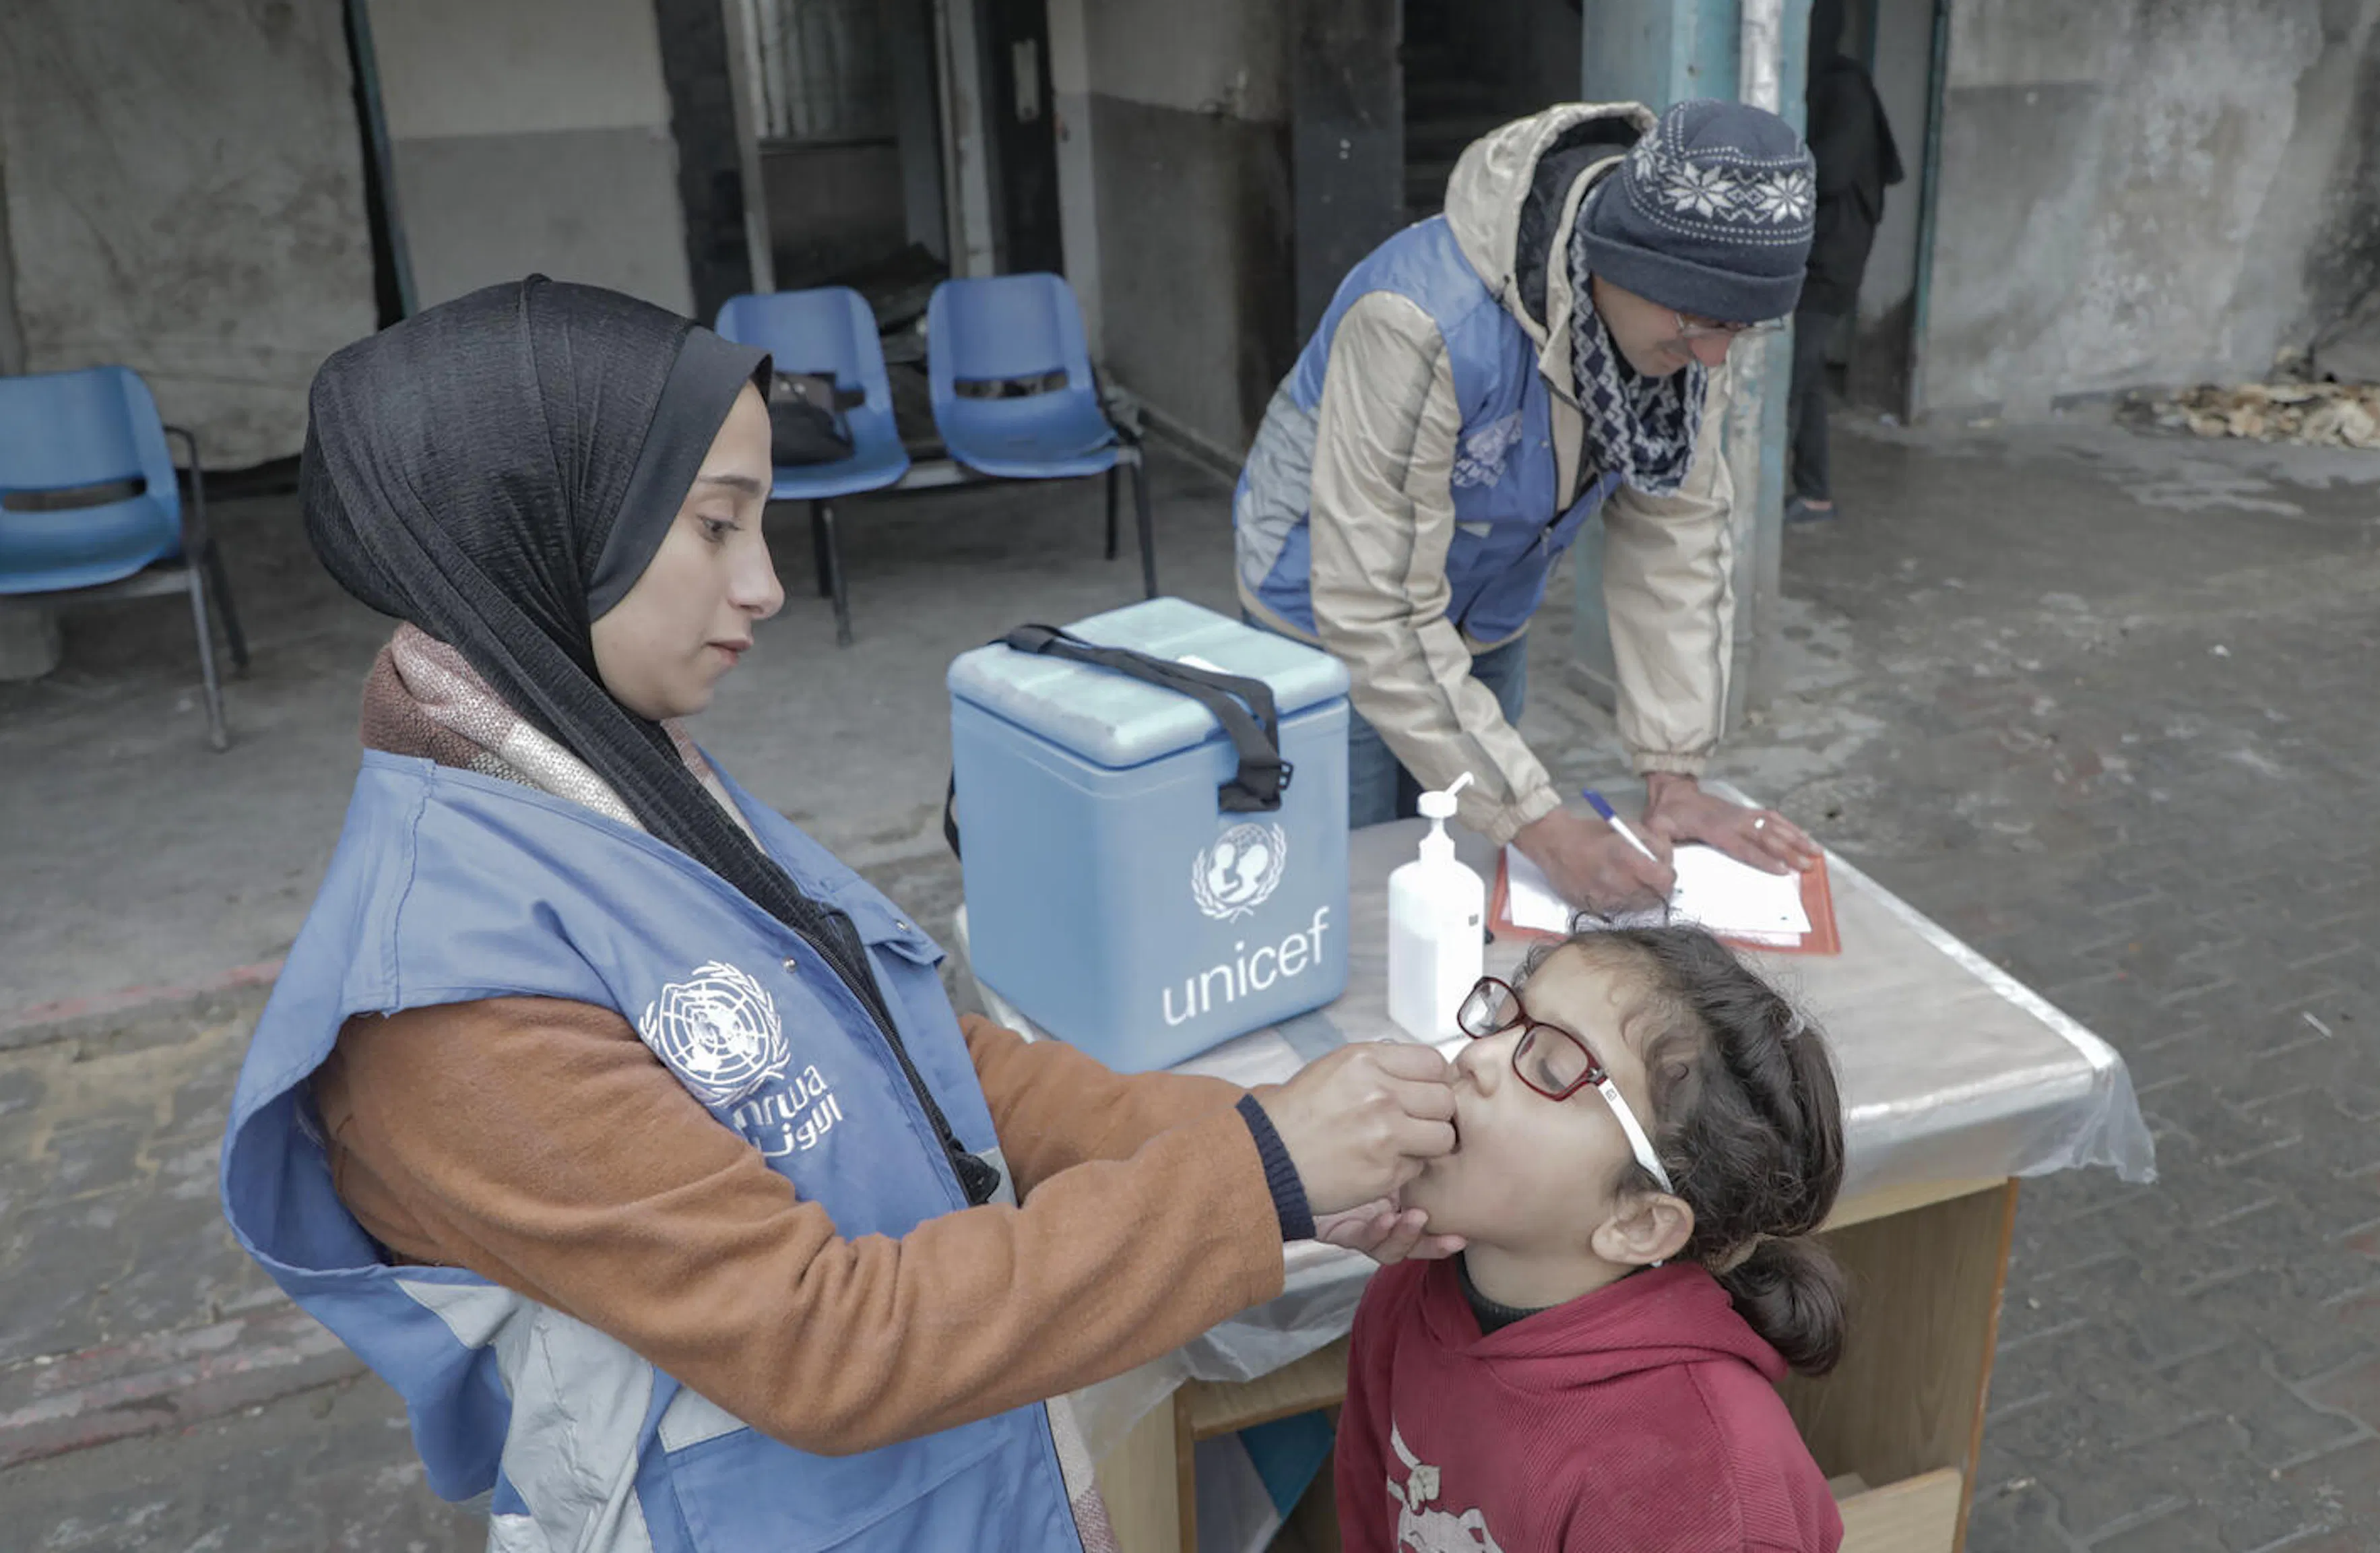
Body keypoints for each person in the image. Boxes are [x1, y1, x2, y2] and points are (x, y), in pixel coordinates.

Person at [218, 277, 1462, 1552]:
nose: (763, 585)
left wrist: (1267, 1141)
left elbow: (914, 1051)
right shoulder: (450, 997)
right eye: (714, 526)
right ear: (544, 525)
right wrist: (1256, 1178)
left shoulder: (618, 776)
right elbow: (823, 1342)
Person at [1235, 99, 1827, 914]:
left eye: (1742, 329)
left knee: (1474, 870)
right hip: (1324, 617)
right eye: (1700, 321)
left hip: (1484, 606)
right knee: (1355, 892)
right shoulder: (1422, 320)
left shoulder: (1684, 340)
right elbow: (1373, 609)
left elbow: (1676, 533)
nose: (1718, 355)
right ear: (1620, 262)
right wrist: (1541, 824)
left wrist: (1674, 773)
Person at [1337, 925, 1848, 1552]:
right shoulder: (1407, 1289)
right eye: (1504, 1020)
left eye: (1550, 1067)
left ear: (1637, 1222)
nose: (1477, 1056)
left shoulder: (1701, 1479)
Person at [1789, 0, 1907, 524]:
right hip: (1814, 258)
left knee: (1786, 379)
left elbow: (1829, 173)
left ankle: (1751, 500)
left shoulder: (1843, 89)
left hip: (1828, 265)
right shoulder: (1821, 84)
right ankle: (1815, 494)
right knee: (1806, 377)